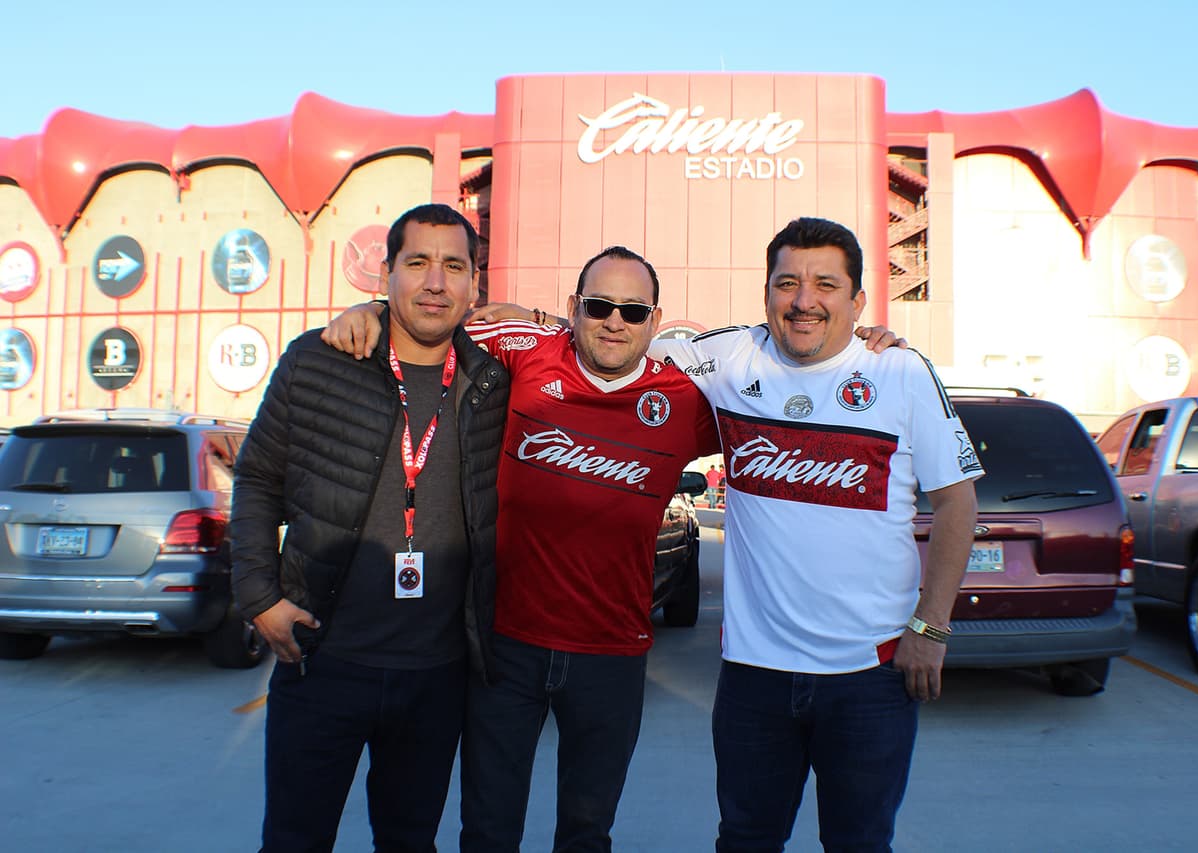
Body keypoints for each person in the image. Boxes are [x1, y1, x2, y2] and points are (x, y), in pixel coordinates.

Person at [325, 245, 721, 852]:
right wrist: (373, 310)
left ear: (656, 321)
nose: (615, 321)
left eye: (633, 311)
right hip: (506, 648)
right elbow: (434, 316)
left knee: (587, 834)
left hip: (612, 656)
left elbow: (784, 387)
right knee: (488, 828)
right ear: (572, 309)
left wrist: (868, 350)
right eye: (600, 306)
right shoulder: (525, 350)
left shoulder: (686, 401)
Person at [650, 217, 982, 852]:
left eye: (826, 284)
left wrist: (931, 627)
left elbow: (957, 504)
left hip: (871, 678)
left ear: (857, 301)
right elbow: (618, 343)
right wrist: (527, 322)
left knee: (859, 844)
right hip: (754, 676)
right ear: (767, 291)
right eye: (788, 283)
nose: (804, 301)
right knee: (745, 840)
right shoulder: (726, 359)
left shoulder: (902, 371)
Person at [230, 203, 510, 852]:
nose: (435, 282)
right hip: (323, 662)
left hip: (437, 674)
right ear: (385, 275)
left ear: (476, 282)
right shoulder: (319, 361)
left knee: (410, 841)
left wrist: (537, 318)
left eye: (453, 266)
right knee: (295, 839)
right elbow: (256, 481)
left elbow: (598, 338)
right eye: (417, 263)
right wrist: (259, 598)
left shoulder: (493, 381)